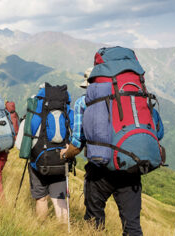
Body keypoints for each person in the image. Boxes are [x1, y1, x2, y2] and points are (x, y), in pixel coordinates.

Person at [61, 67, 147, 236]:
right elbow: (157, 132)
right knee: (132, 226)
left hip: (100, 170)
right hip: (129, 167)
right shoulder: (130, 99)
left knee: (94, 220)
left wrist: (65, 154)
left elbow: (78, 143)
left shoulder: (82, 103)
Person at [28, 83, 72, 223]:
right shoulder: (66, 108)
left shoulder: (38, 109)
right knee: (59, 198)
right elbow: (74, 133)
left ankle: (43, 228)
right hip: (61, 159)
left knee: (41, 199)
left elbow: (28, 134)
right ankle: (64, 232)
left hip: (39, 162)